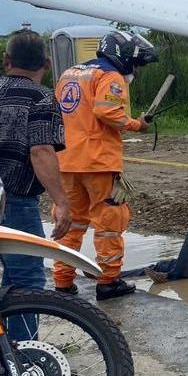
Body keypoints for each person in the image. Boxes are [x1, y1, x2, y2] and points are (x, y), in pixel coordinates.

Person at [0, 30, 70, 338]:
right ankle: (23, 361)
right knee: (27, 279)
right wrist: (61, 202)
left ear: (6, 60)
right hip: (15, 200)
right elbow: (41, 151)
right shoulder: (42, 97)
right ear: (46, 65)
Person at [52, 31, 155, 300]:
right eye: (135, 63)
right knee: (109, 221)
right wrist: (137, 125)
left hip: (66, 160)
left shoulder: (69, 74)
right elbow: (107, 112)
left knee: (71, 223)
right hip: (98, 161)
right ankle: (108, 281)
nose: (135, 69)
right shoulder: (110, 77)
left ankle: (62, 282)